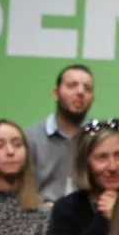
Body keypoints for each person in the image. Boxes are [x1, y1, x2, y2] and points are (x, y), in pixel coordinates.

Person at [49, 121, 119, 235]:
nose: (113, 167)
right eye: (102, 157)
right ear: (85, 163)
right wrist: (104, 220)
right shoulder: (67, 207)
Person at [25, 64, 95, 202]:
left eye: (87, 88)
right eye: (72, 86)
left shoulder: (98, 138)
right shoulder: (30, 138)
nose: (80, 92)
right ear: (56, 93)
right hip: (42, 211)